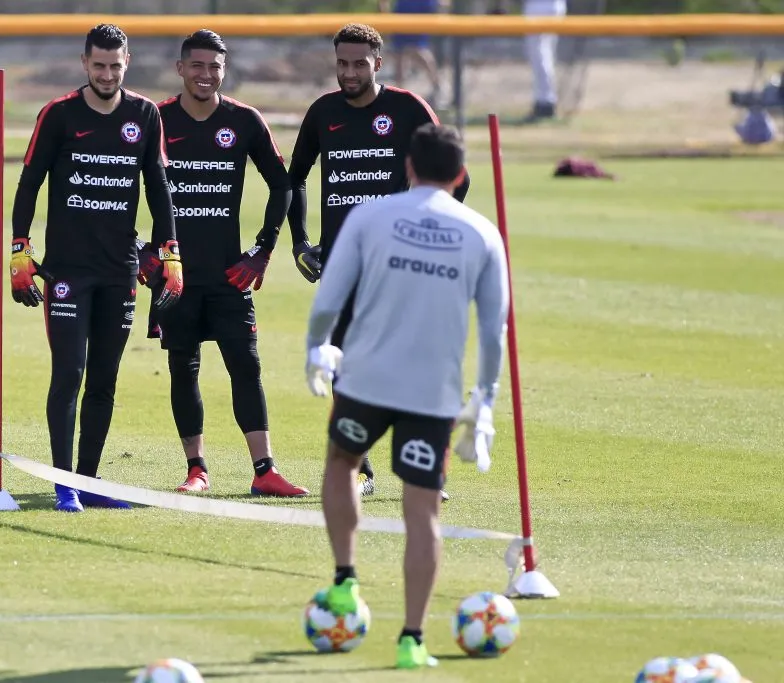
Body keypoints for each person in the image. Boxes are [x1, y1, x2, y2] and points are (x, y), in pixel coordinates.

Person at [304, 122, 508, 669]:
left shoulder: (370, 216)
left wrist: (316, 346)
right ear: (461, 175)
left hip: (366, 379)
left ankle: (345, 579)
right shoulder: (482, 233)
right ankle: (412, 639)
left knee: (342, 462)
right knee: (422, 511)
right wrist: (483, 404)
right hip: (432, 393)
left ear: (408, 167)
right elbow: (493, 332)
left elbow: (330, 293)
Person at [286, 22, 470, 499]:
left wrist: (431, 230)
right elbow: (295, 177)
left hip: (400, 265)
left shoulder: (408, 109)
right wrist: (300, 241)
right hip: (344, 265)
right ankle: (360, 469)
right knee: (347, 364)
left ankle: (424, 467)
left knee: (416, 358)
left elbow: (458, 177)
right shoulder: (323, 112)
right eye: (342, 63)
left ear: (378, 64)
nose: (349, 72)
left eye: (359, 64)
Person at [10, 23, 184, 513]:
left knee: (105, 378)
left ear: (127, 63)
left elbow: (159, 187)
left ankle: (88, 480)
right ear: (85, 63)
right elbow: (29, 184)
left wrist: (170, 251)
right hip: (67, 271)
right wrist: (19, 248)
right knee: (70, 372)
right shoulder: (59, 114)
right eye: (99, 65)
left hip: (119, 270)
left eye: (116, 65)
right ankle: (62, 482)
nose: (107, 74)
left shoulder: (145, 114)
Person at [139, 29, 308, 497]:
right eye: (196, 65)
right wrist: (140, 251)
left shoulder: (245, 121)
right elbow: (113, 183)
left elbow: (284, 184)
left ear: (224, 70)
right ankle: (196, 470)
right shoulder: (154, 120)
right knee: (182, 367)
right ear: (180, 69)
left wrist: (264, 249)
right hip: (174, 276)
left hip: (229, 274)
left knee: (246, 367)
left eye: (214, 66)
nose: (205, 74)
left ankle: (265, 471)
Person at [377, 0, 447, 107]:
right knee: (400, 54)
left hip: (418, 11)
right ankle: (400, 93)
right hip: (402, 13)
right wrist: (385, 13)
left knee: (419, 50)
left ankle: (437, 87)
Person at [523, 0, 566, 120]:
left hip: (539, 7)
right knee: (546, 54)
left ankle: (545, 102)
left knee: (540, 56)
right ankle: (545, 99)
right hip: (554, 5)